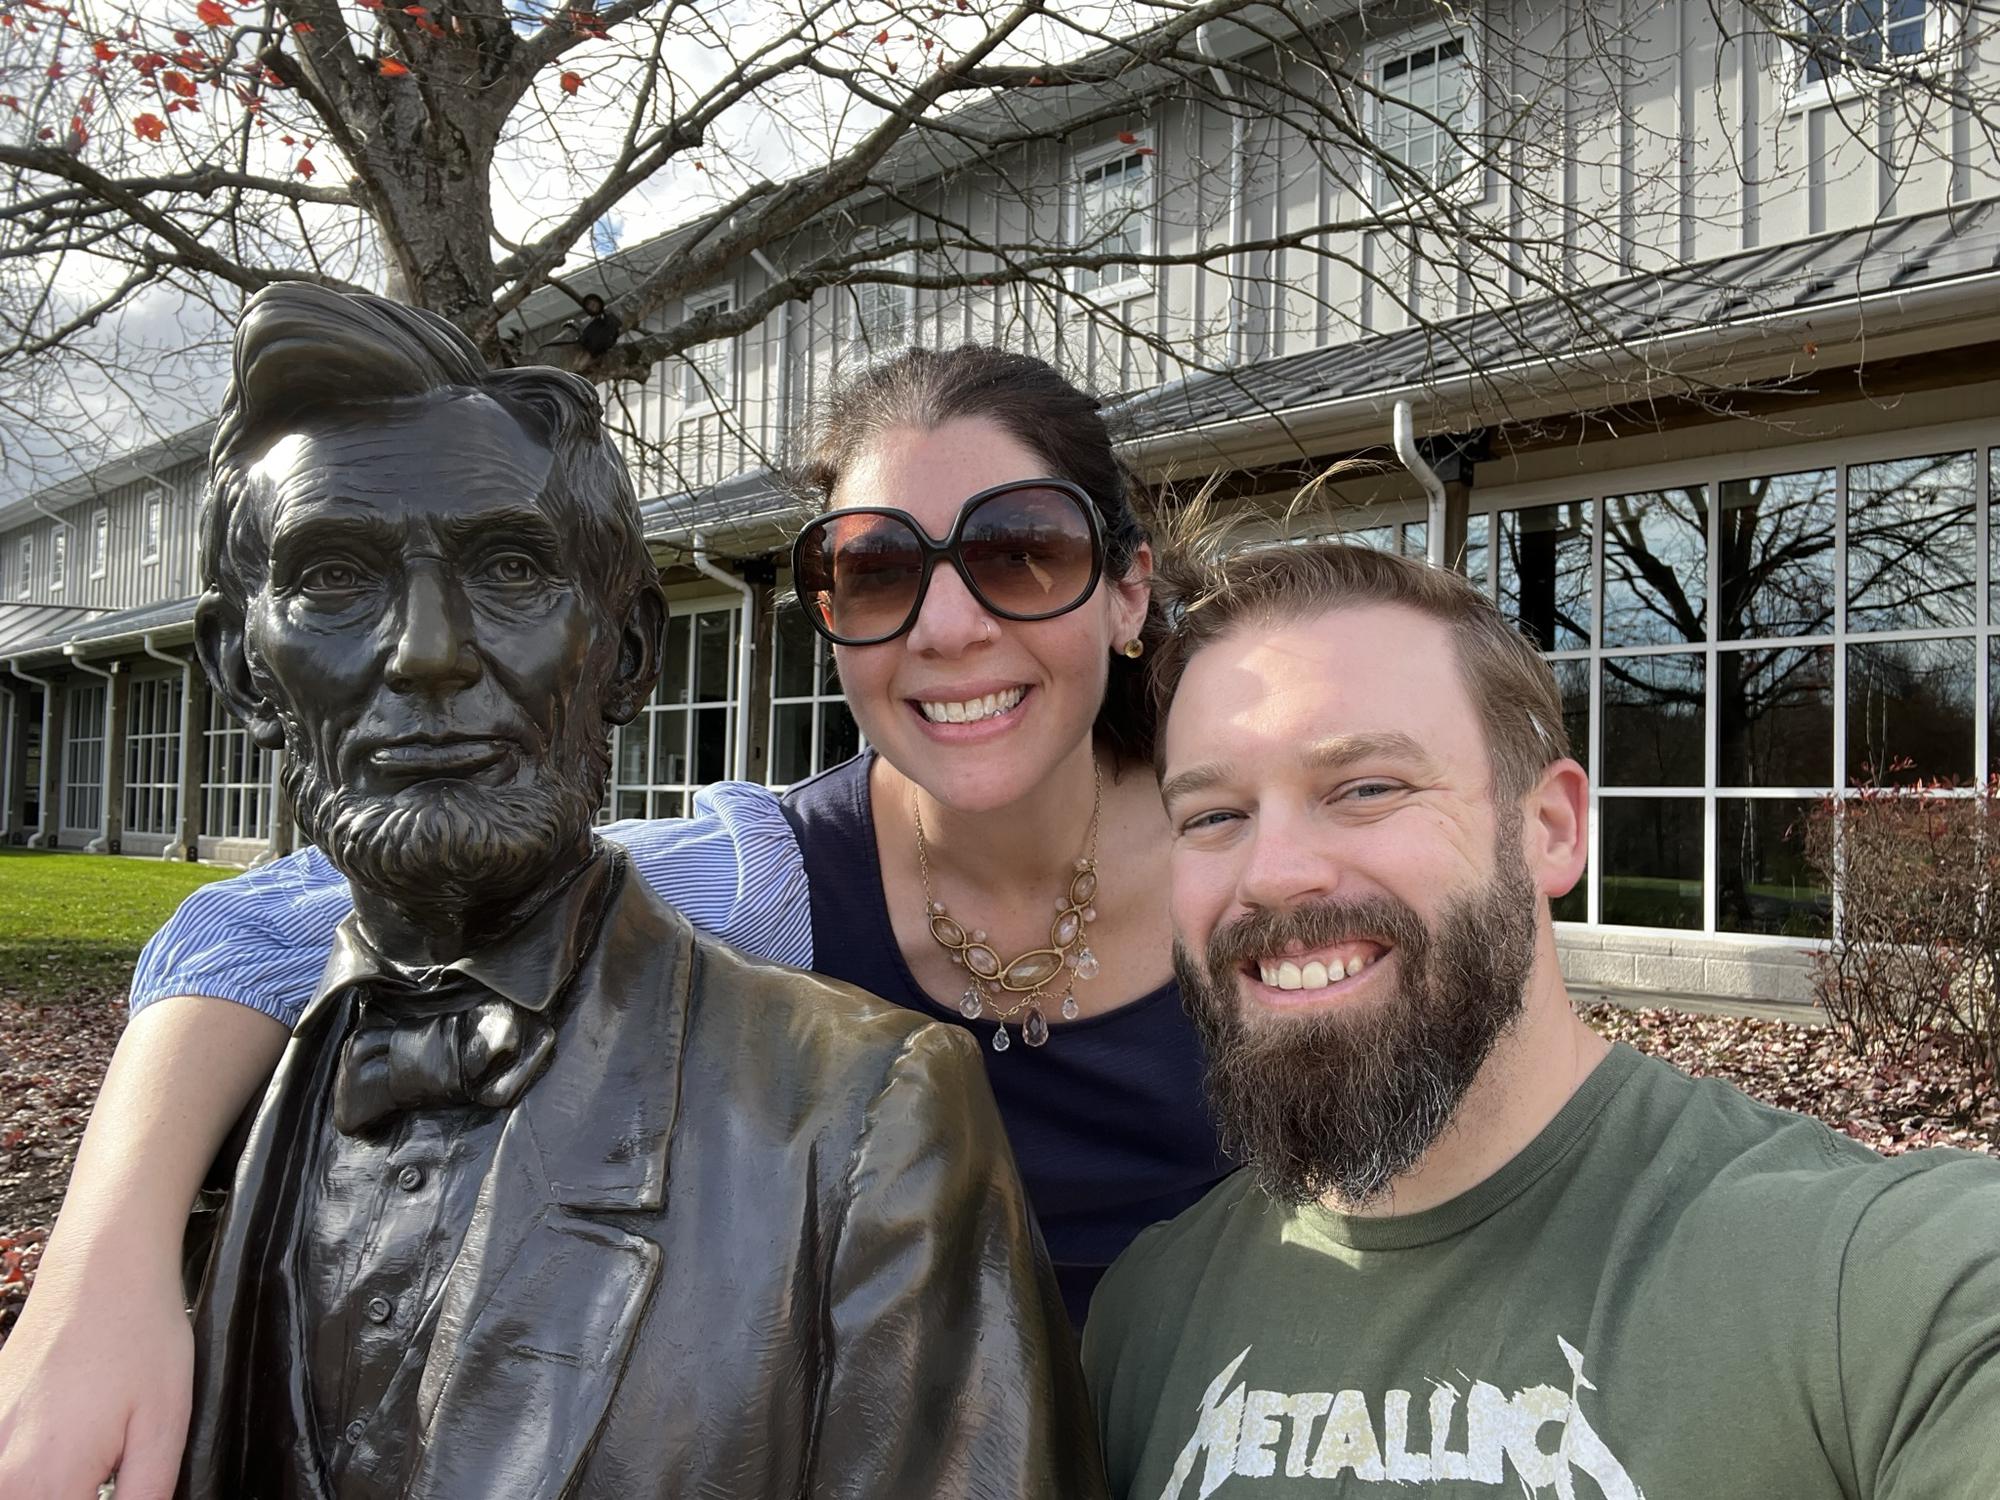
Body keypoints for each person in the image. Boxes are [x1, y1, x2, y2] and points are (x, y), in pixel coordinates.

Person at [0, 347, 1227, 1497]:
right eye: (877, 568)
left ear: (1125, 594)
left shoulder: (1258, 878)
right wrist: (98, 1264)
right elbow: (256, 927)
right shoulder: (765, 881)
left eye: (1019, 552)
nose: (948, 626)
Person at [1081, 540, 2000, 1499]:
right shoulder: (1148, 1317)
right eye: (1213, 815)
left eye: (1365, 788)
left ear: (1551, 829)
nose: (1271, 875)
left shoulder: (1873, 1284)